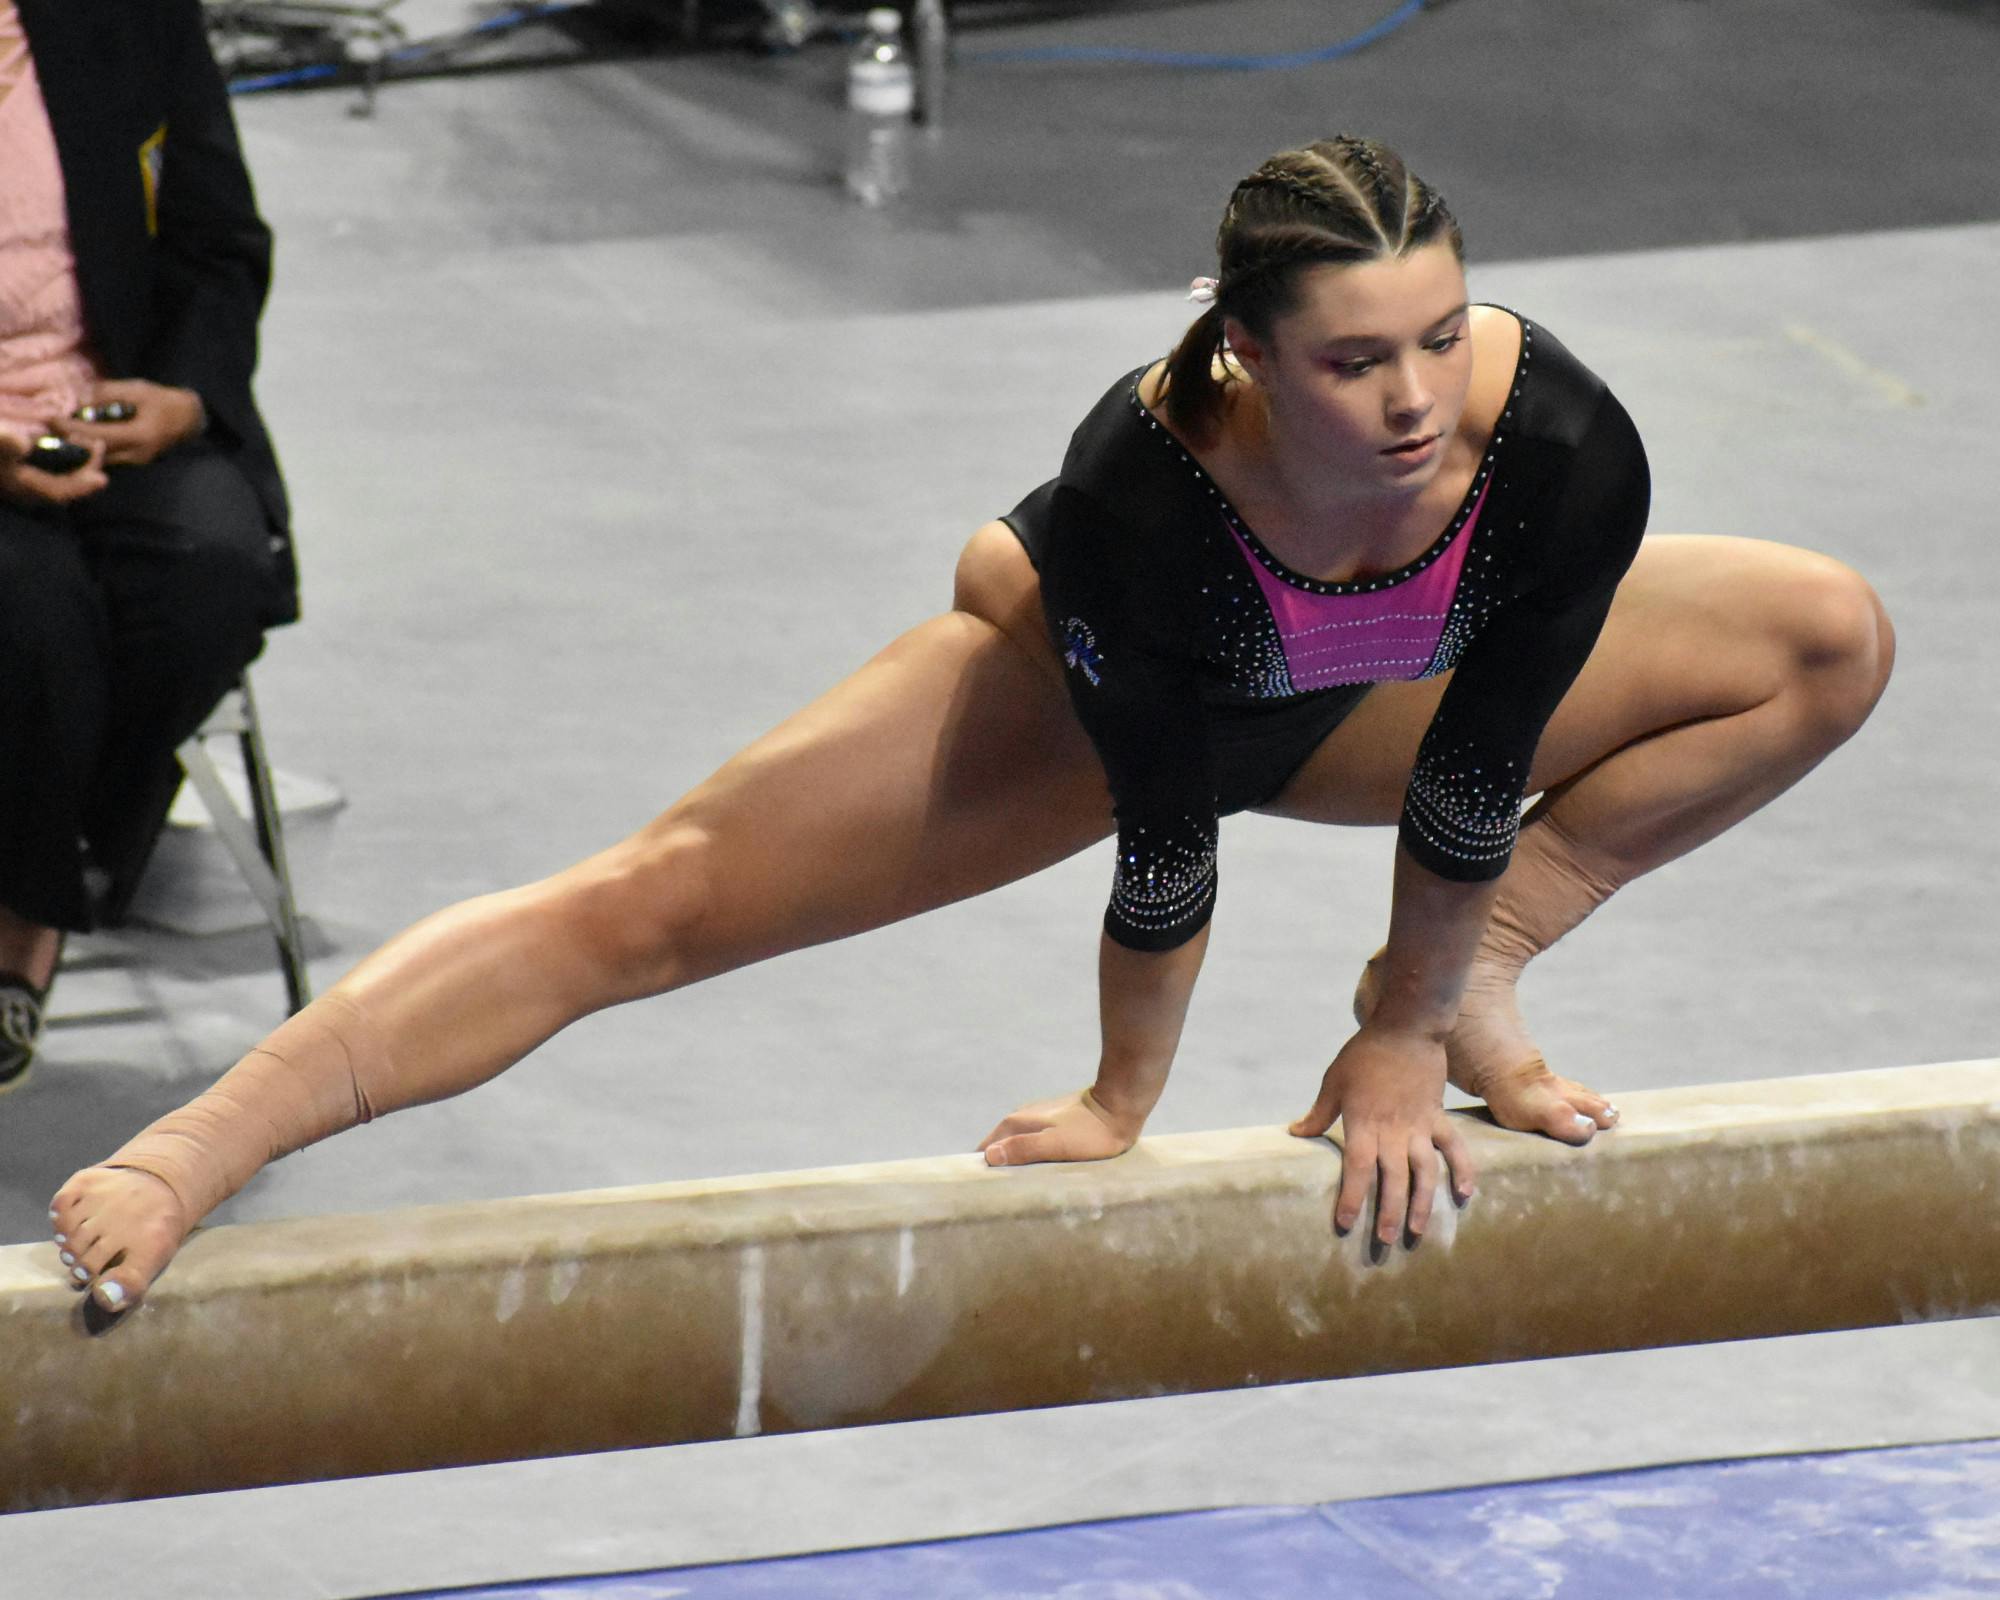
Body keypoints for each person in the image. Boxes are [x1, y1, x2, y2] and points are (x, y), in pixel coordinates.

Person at [47, 137, 1892, 1314]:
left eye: (1440, 334)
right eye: (1355, 359)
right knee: (655, 902)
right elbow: (1167, 845)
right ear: (1247, 352)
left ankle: (1489, 965)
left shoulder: (1556, 442)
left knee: (1820, 638)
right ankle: (201, 1145)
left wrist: (1414, 1023)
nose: (1418, 399)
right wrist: (1120, 1101)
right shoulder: (1149, 490)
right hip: (1088, 700)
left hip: (1380, 687)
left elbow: (1482, 766)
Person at [0, 0, 294, 1090]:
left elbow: (220, 244)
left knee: (211, 571)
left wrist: (185, 396)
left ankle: (59, 862)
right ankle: (23, 926)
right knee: (30, 617)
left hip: (110, 409)